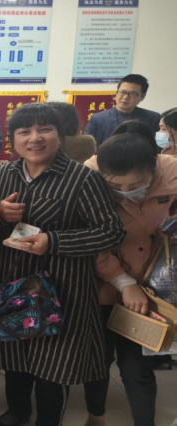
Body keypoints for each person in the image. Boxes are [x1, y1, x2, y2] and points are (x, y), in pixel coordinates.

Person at [0, 103, 126, 426]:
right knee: (13, 349)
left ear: (60, 135)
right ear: (13, 139)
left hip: (62, 285)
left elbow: (111, 232)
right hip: (11, 279)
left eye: (45, 129)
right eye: (24, 131)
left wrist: (53, 241)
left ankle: (49, 420)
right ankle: (18, 411)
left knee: (55, 360)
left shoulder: (82, 179)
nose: (35, 138)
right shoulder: (5, 174)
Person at [84, 121, 177, 426]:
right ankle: (95, 416)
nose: (127, 191)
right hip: (103, 284)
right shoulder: (88, 177)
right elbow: (90, 240)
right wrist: (123, 282)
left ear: (154, 168)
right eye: (116, 186)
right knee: (98, 361)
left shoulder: (172, 173)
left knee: (137, 367)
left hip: (154, 288)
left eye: (137, 184)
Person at [85, 74, 161, 146]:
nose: (125, 97)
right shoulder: (97, 119)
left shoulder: (152, 118)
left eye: (132, 93)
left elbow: (156, 146)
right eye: (122, 92)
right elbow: (87, 147)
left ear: (142, 97)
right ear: (117, 93)